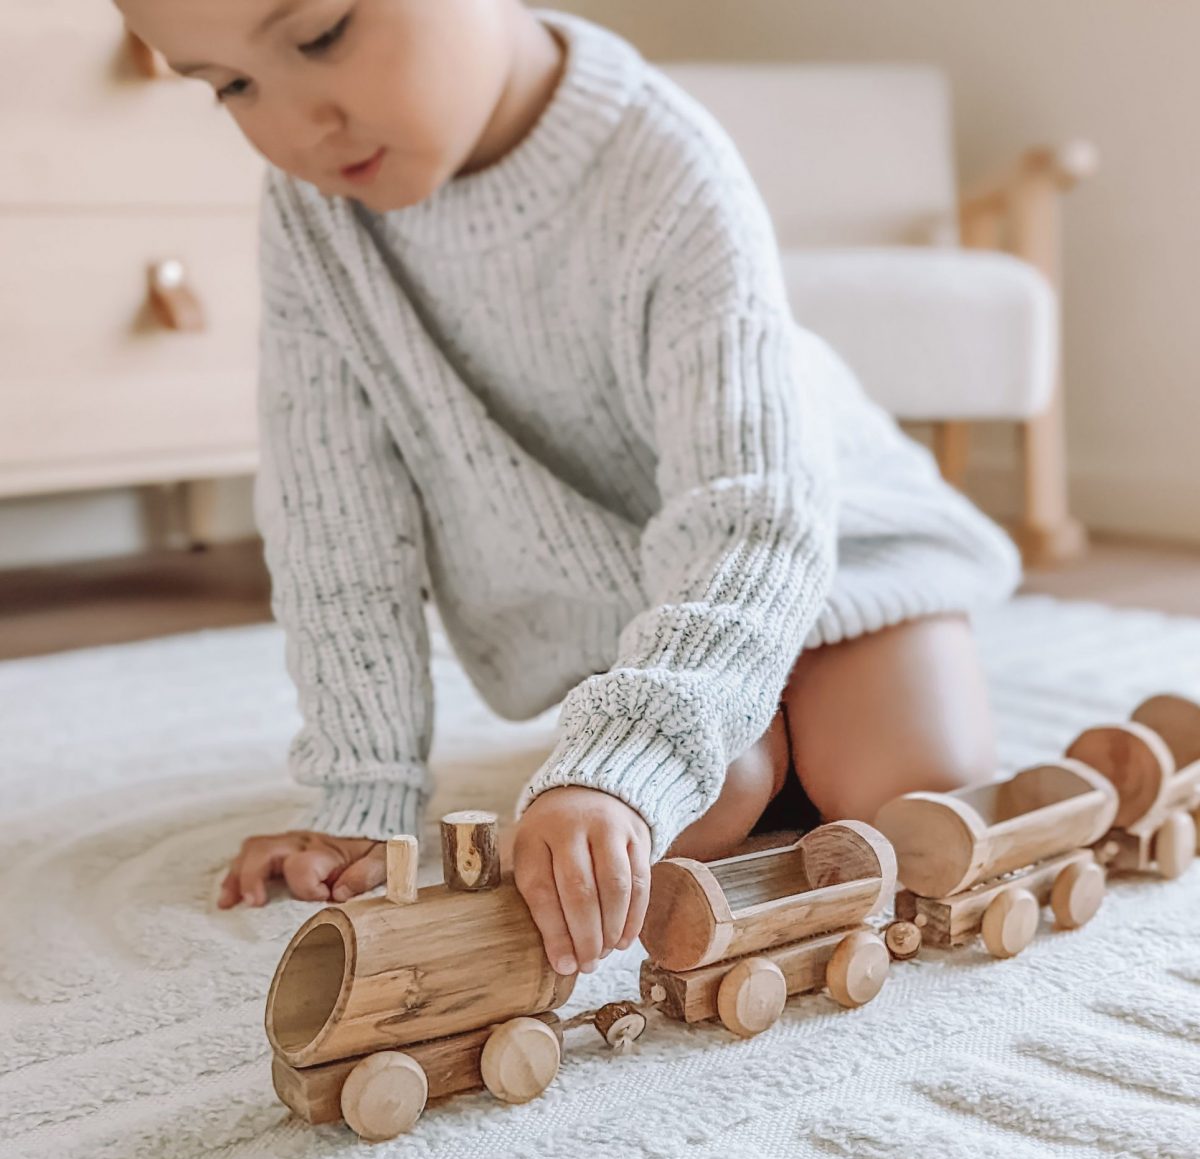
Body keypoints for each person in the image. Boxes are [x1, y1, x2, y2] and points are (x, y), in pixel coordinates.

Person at [119, 0, 1020, 978]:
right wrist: (360, 808)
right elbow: (334, 528)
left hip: (838, 545)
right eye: (232, 87)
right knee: (679, 809)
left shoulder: (666, 166)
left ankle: (783, 714)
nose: (297, 127)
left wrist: (631, 752)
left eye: (322, 35)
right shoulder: (312, 220)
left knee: (906, 794)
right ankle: (746, 728)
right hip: (642, 597)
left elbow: (755, 517)